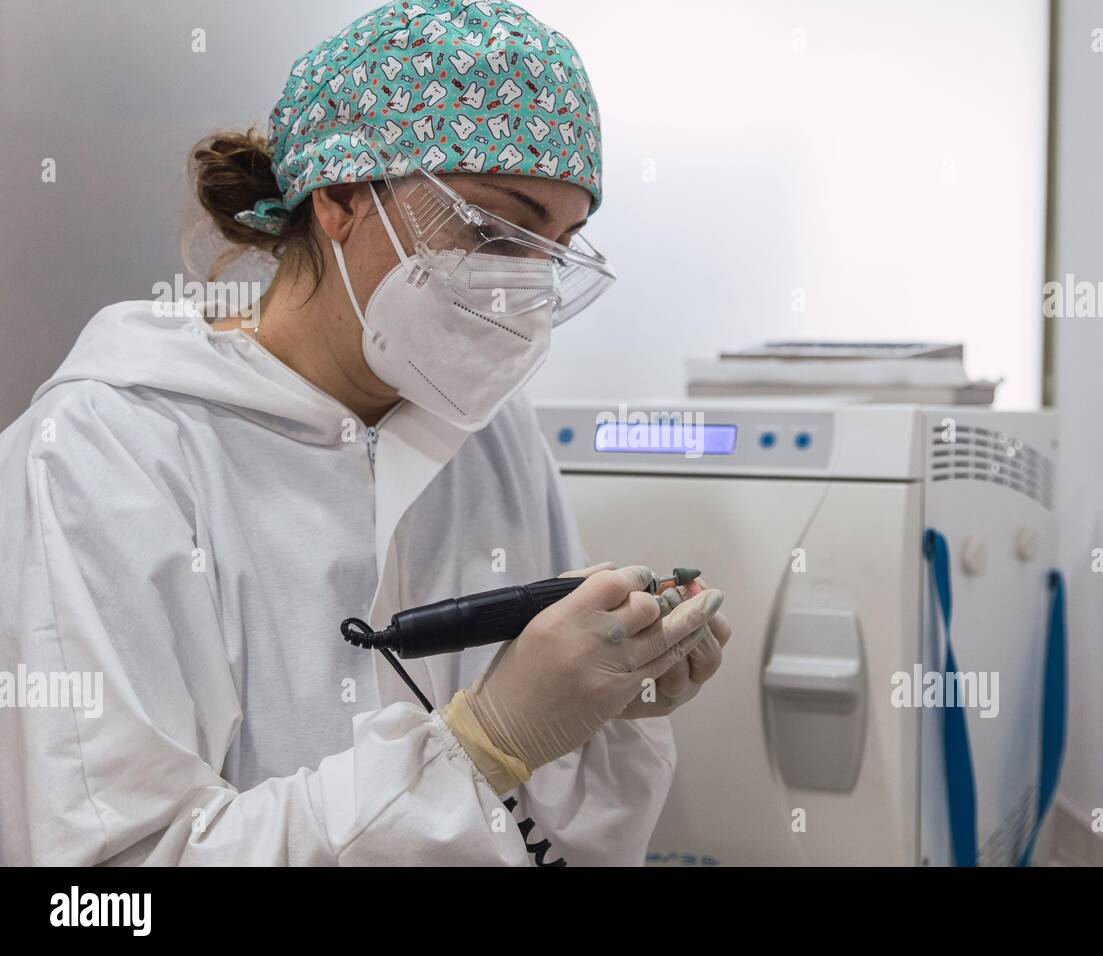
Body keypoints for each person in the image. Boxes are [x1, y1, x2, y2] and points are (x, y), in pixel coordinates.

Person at [0, 0, 729, 866]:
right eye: (499, 228)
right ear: (343, 196)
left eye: (560, 245)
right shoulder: (106, 449)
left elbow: (546, 840)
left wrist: (597, 715)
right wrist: (484, 740)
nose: (527, 290)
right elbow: (114, 879)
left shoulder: (487, 427)